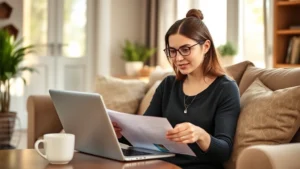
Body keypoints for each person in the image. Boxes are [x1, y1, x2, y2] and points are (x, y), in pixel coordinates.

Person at [113, 9, 240, 169]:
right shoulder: (168, 85)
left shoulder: (225, 88)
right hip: (160, 164)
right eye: (172, 51)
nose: (178, 58)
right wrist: (119, 134)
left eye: (186, 49)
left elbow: (224, 151)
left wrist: (200, 135)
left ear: (206, 46)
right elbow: (143, 133)